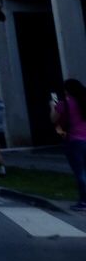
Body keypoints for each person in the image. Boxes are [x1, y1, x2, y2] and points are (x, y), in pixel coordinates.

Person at [52, 79, 86, 211]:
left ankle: (84, 201)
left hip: (75, 140)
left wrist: (52, 106)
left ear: (67, 90)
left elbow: (54, 120)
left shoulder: (64, 104)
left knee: (80, 171)